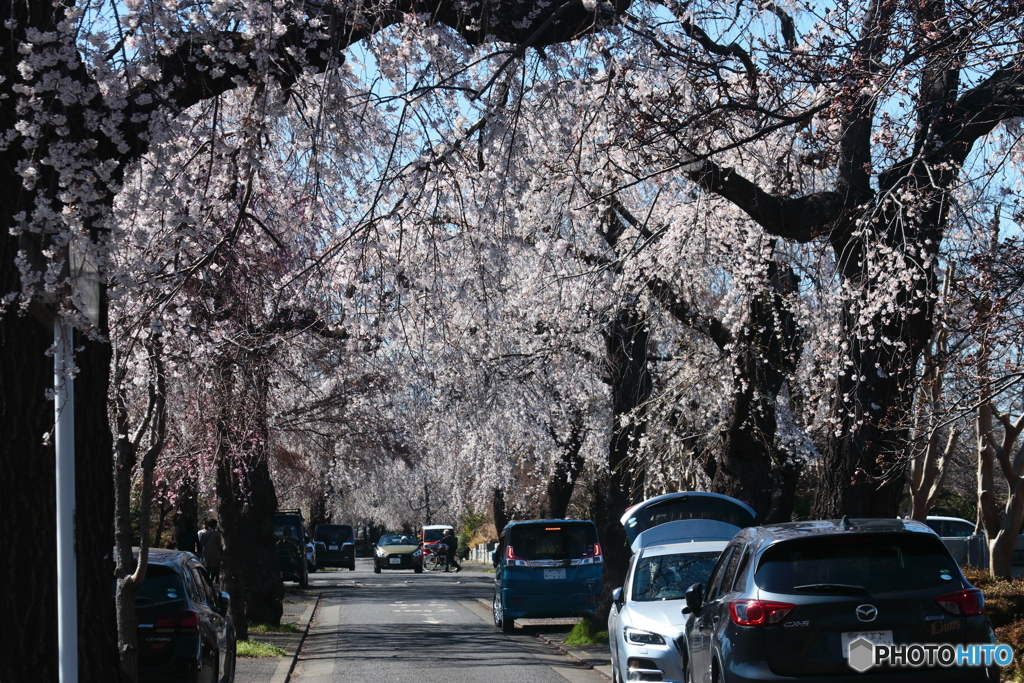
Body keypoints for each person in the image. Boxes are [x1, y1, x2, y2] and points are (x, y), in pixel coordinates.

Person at [197, 518, 223, 583]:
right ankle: (213, 581)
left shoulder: (204, 533)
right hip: (215, 553)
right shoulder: (217, 533)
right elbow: (219, 544)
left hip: (206, 553)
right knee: (215, 568)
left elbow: (201, 544)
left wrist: (199, 553)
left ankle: (206, 581)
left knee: (207, 567)